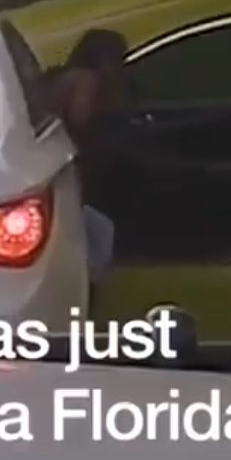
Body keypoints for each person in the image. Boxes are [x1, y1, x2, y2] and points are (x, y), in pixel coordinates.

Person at [45, 29, 131, 302]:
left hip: (51, 165)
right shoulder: (87, 81)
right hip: (66, 171)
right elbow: (81, 118)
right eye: (118, 59)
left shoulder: (61, 77)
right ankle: (86, 295)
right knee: (100, 233)